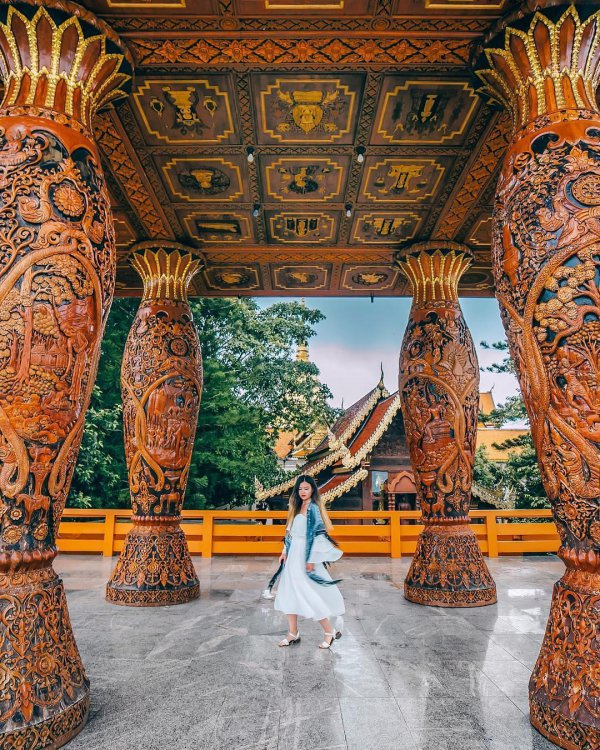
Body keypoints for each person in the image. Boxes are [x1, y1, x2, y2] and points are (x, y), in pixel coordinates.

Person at [273, 474, 345, 649]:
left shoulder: (313, 508)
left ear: (312, 489)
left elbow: (318, 534)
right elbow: (289, 532)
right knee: (290, 591)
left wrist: (312, 559)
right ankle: (293, 632)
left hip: (306, 556)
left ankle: (329, 631)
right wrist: (284, 551)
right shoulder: (296, 507)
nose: (303, 492)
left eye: (306, 488)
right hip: (293, 556)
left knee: (309, 594)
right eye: (300, 489)